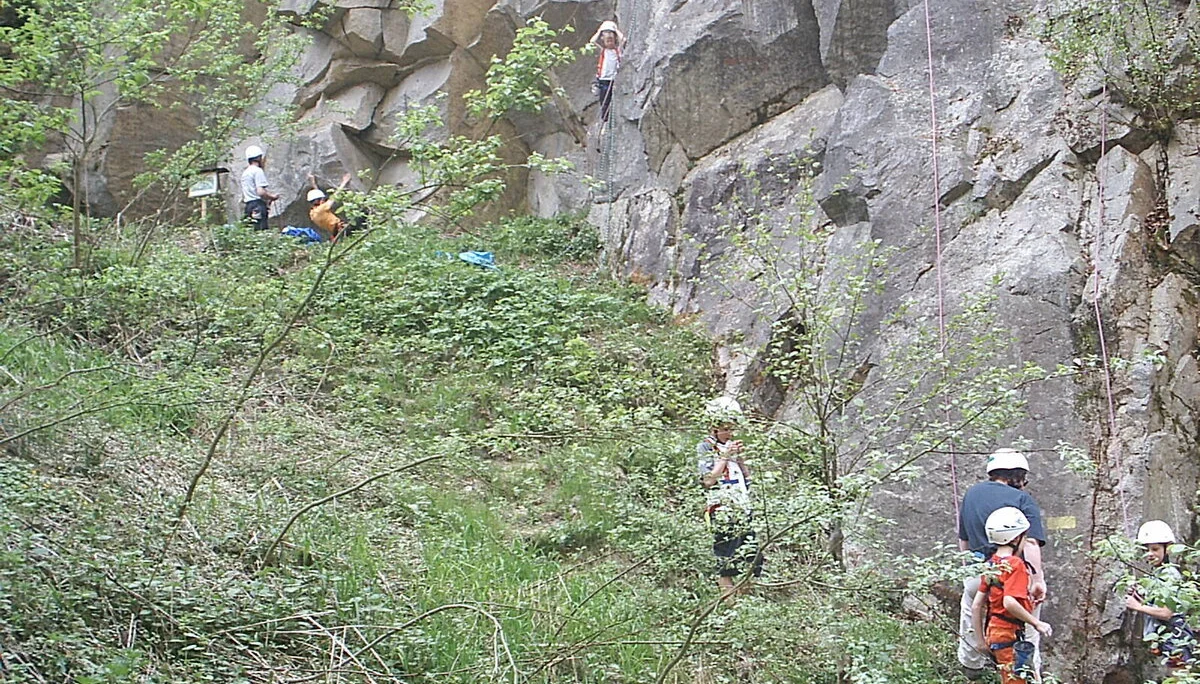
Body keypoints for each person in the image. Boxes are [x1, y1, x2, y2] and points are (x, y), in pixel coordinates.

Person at [957, 448, 1048, 681]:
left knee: (970, 608)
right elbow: (1030, 544)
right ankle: (1029, 671)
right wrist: (1038, 580)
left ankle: (971, 664)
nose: (1024, 485)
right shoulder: (1022, 499)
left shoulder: (972, 494)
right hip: (1011, 576)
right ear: (1015, 476)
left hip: (980, 570)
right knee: (1026, 628)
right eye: (1023, 479)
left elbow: (963, 541)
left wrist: (970, 573)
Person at [970, 507, 1054, 684]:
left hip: (994, 632)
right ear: (1016, 538)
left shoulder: (991, 564)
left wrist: (980, 641)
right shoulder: (1015, 564)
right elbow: (1009, 602)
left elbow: (977, 605)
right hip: (1008, 634)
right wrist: (1037, 623)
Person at [697, 396, 762, 599]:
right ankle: (730, 604)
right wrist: (725, 456)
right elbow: (708, 480)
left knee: (752, 559)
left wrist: (739, 458)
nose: (730, 433)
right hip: (723, 511)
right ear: (714, 427)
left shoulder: (731, 447)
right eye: (725, 428)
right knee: (725, 561)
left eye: (732, 428)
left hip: (742, 509)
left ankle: (745, 602)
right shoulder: (706, 447)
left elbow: (747, 478)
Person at [1125, 520, 1196, 671]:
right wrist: (1139, 598)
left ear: (1167, 549)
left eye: (1155, 549)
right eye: (1147, 550)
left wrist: (1138, 606)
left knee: (1179, 677)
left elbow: (1166, 613)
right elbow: (1158, 606)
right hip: (1168, 640)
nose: (1150, 554)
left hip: (1175, 640)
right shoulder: (1157, 574)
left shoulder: (1169, 575)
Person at [589, 20, 625, 124]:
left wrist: (615, 30)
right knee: (604, 102)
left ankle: (611, 119)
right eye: (607, 39)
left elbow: (623, 40)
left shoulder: (617, 51)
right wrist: (600, 31)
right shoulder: (603, 51)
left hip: (614, 80)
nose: (609, 41)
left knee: (614, 101)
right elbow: (592, 42)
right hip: (603, 80)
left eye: (611, 39)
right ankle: (605, 120)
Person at [241, 145, 279, 231]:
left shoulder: (245, 173)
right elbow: (260, 192)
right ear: (258, 158)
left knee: (252, 231)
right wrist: (272, 197)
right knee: (261, 230)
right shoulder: (257, 171)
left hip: (248, 206)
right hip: (257, 205)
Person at [307, 172, 354, 242]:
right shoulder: (321, 209)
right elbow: (334, 197)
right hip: (342, 229)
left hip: (335, 232)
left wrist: (313, 184)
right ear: (318, 201)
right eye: (322, 199)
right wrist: (344, 181)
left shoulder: (312, 213)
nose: (324, 200)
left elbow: (319, 201)